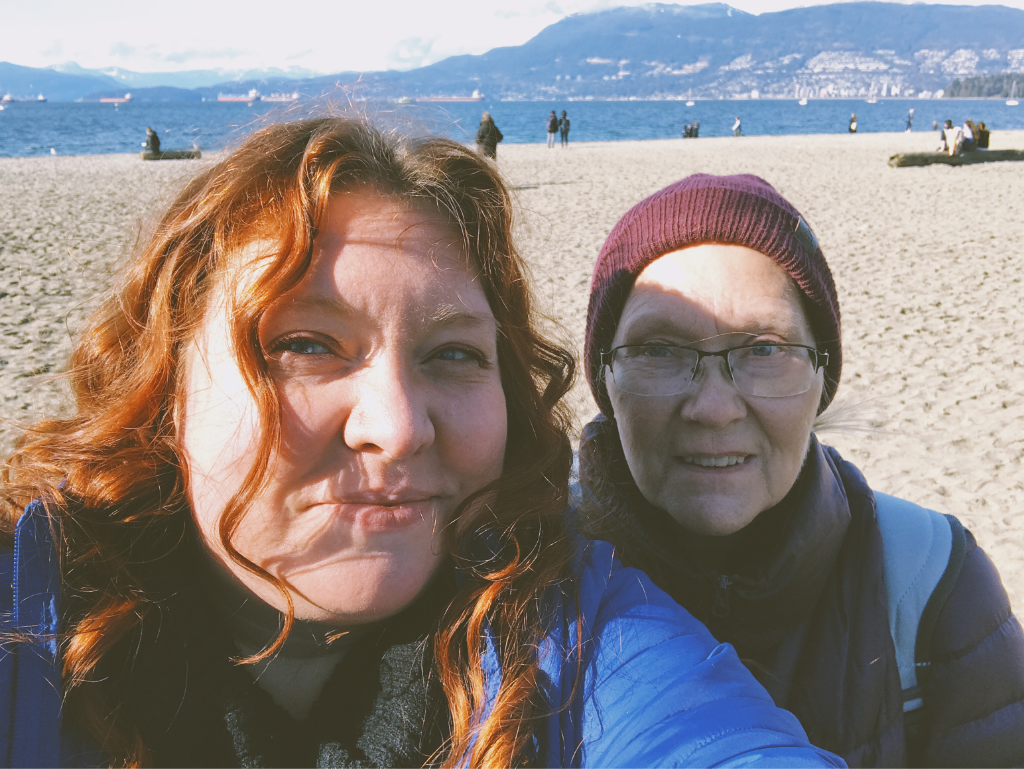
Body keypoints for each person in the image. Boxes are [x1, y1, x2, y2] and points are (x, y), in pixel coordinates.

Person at [0, 120, 843, 768]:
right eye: (304, 344)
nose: (398, 425)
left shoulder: (576, 635)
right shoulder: (28, 614)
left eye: (453, 355)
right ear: (163, 386)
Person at [577, 173, 1024, 767]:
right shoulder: (522, 578)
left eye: (764, 348)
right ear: (607, 381)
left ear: (822, 381)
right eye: (658, 349)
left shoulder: (935, 582)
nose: (713, 408)